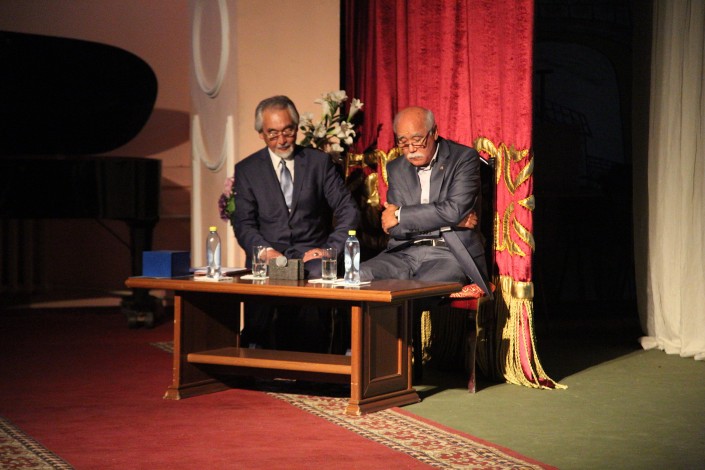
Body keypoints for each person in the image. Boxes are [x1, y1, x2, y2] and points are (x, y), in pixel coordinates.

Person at [232, 95, 360, 350]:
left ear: (297, 127)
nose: (281, 140)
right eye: (273, 133)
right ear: (261, 134)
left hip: (312, 256)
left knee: (315, 278)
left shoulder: (318, 163)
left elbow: (349, 210)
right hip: (269, 256)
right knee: (263, 289)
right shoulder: (247, 170)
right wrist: (264, 251)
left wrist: (330, 250)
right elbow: (243, 223)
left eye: (288, 131)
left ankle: (315, 362)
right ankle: (258, 357)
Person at [360, 106, 491, 297]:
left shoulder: (463, 158)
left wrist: (401, 214)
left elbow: (454, 210)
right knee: (358, 276)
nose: (411, 149)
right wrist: (448, 223)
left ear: (434, 132)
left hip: (449, 253)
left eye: (417, 140)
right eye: (403, 143)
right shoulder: (396, 167)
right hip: (404, 252)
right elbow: (394, 228)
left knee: (419, 288)